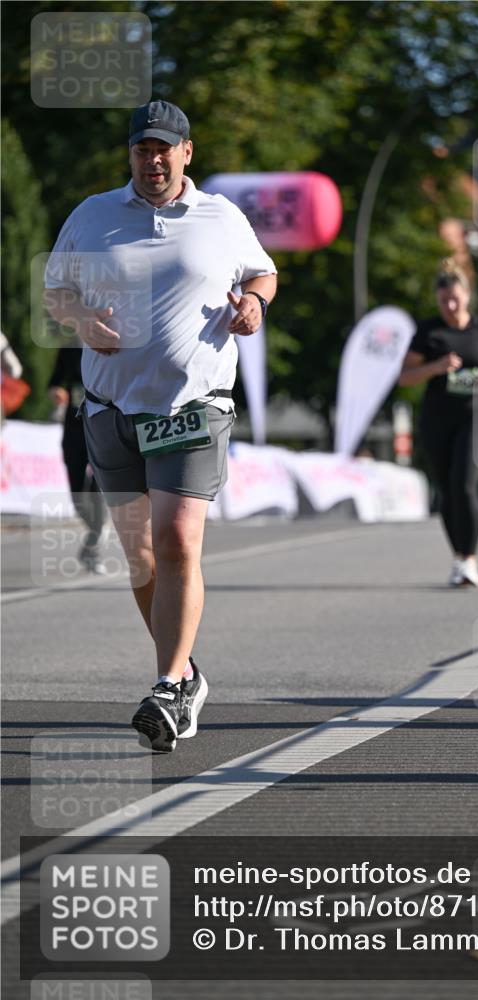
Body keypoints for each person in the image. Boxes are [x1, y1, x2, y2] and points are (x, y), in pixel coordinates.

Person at [44, 100, 277, 752]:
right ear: (131, 155)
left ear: (186, 153)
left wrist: (254, 304)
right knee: (141, 558)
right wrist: (81, 321)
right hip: (111, 410)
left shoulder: (221, 218)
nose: (152, 161)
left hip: (192, 406)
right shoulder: (92, 216)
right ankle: (188, 673)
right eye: (141, 150)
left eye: (163, 149)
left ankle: (169, 683)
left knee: (177, 541)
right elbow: (55, 289)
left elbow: (262, 271)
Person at [399, 259, 478, 587]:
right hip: (438, 417)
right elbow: (405, 377)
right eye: (444, 299)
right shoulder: (429, 332)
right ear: (437, 299)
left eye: (455, 298)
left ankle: (471, 559)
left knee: (464, 484)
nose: (450, 305)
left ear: (467, 296)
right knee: (447, 491)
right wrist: (436, 367)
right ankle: (459, 557)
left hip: (476, 414)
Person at [48, 346, 108, 572]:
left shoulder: (112, 344)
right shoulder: (69, 350)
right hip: (74, 432)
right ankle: (93, 537)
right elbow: (55, 382)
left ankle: (93, 545)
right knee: (77, 492)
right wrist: (55, 391)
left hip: (104, 430)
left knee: (99, 489)